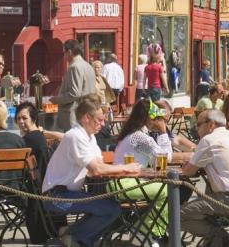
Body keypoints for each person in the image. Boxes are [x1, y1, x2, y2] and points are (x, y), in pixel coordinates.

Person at [42, 96, 140, 247]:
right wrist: (126, 167)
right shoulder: (76, 136)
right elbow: (97, 169)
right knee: (111, 209)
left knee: (111, 206)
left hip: (67, 193)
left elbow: (98, 165)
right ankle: (74, 237)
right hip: (56, 197)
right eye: (99, 120)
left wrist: (109, 168)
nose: (103, 123)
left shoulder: (89, 136)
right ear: (87, 118)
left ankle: (73, 236)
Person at [180, 109, 229, 247]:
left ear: (211, 125)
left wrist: (188, 164)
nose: (196, 128)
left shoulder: (209, 139)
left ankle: (224, 238)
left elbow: (188, 172)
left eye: (199, 124)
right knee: (201, 205)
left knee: (177, 215)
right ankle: (217, 241)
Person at [111, 99, 174, 240]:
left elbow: (155, 161)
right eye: (156, 117)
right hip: (124, 183)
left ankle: (144, 228)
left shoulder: (134, 134)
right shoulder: (139, 138)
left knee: (166, 189)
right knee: (166, 190)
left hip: (122, 182)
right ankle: (146, 231)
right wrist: (163, 132)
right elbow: (166, 157)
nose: (158, 120)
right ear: (148, 118)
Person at [52, 40, 96, 131]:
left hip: (75, 113)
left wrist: (56, 99)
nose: (64, 56)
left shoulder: (75, 67)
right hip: (86, 110)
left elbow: (74, 93)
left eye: (64, 52)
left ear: (70, 52)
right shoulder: (88, 66)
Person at [14, 101, 56, 178]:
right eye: (18, 118)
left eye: (24, 118)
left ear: (33, 119)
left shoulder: (28, 139)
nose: (21, 121)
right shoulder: (40, 136)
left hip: (35, 184)